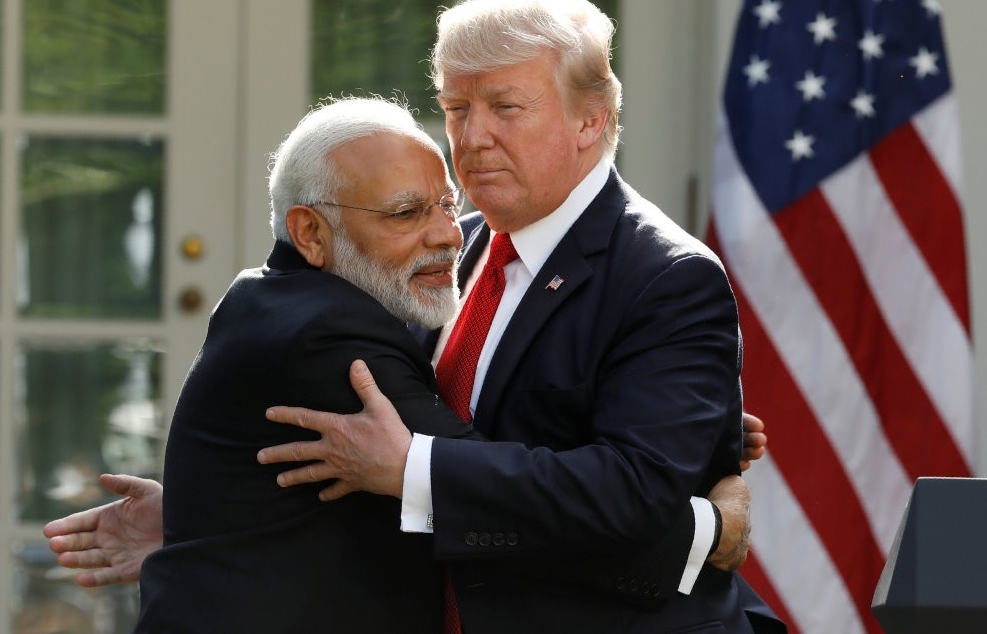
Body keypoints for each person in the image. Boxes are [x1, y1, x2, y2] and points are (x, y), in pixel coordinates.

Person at [44, 95, 761, 632]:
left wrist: (655, 410)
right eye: (406, 214)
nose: (450, 236)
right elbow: (476, 489)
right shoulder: (331, 337)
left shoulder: (279, 297)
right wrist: (704, 533)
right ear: (311, 232)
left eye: (447, 206)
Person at [257, 0, 786, 634]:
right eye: (456, 107)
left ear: (590, 120)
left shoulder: (669, 277)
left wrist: (414, 470)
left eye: (505, 107)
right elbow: (345, 427)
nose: (472, 137)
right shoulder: (451, 241)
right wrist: (200, 520)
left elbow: (630, 494)